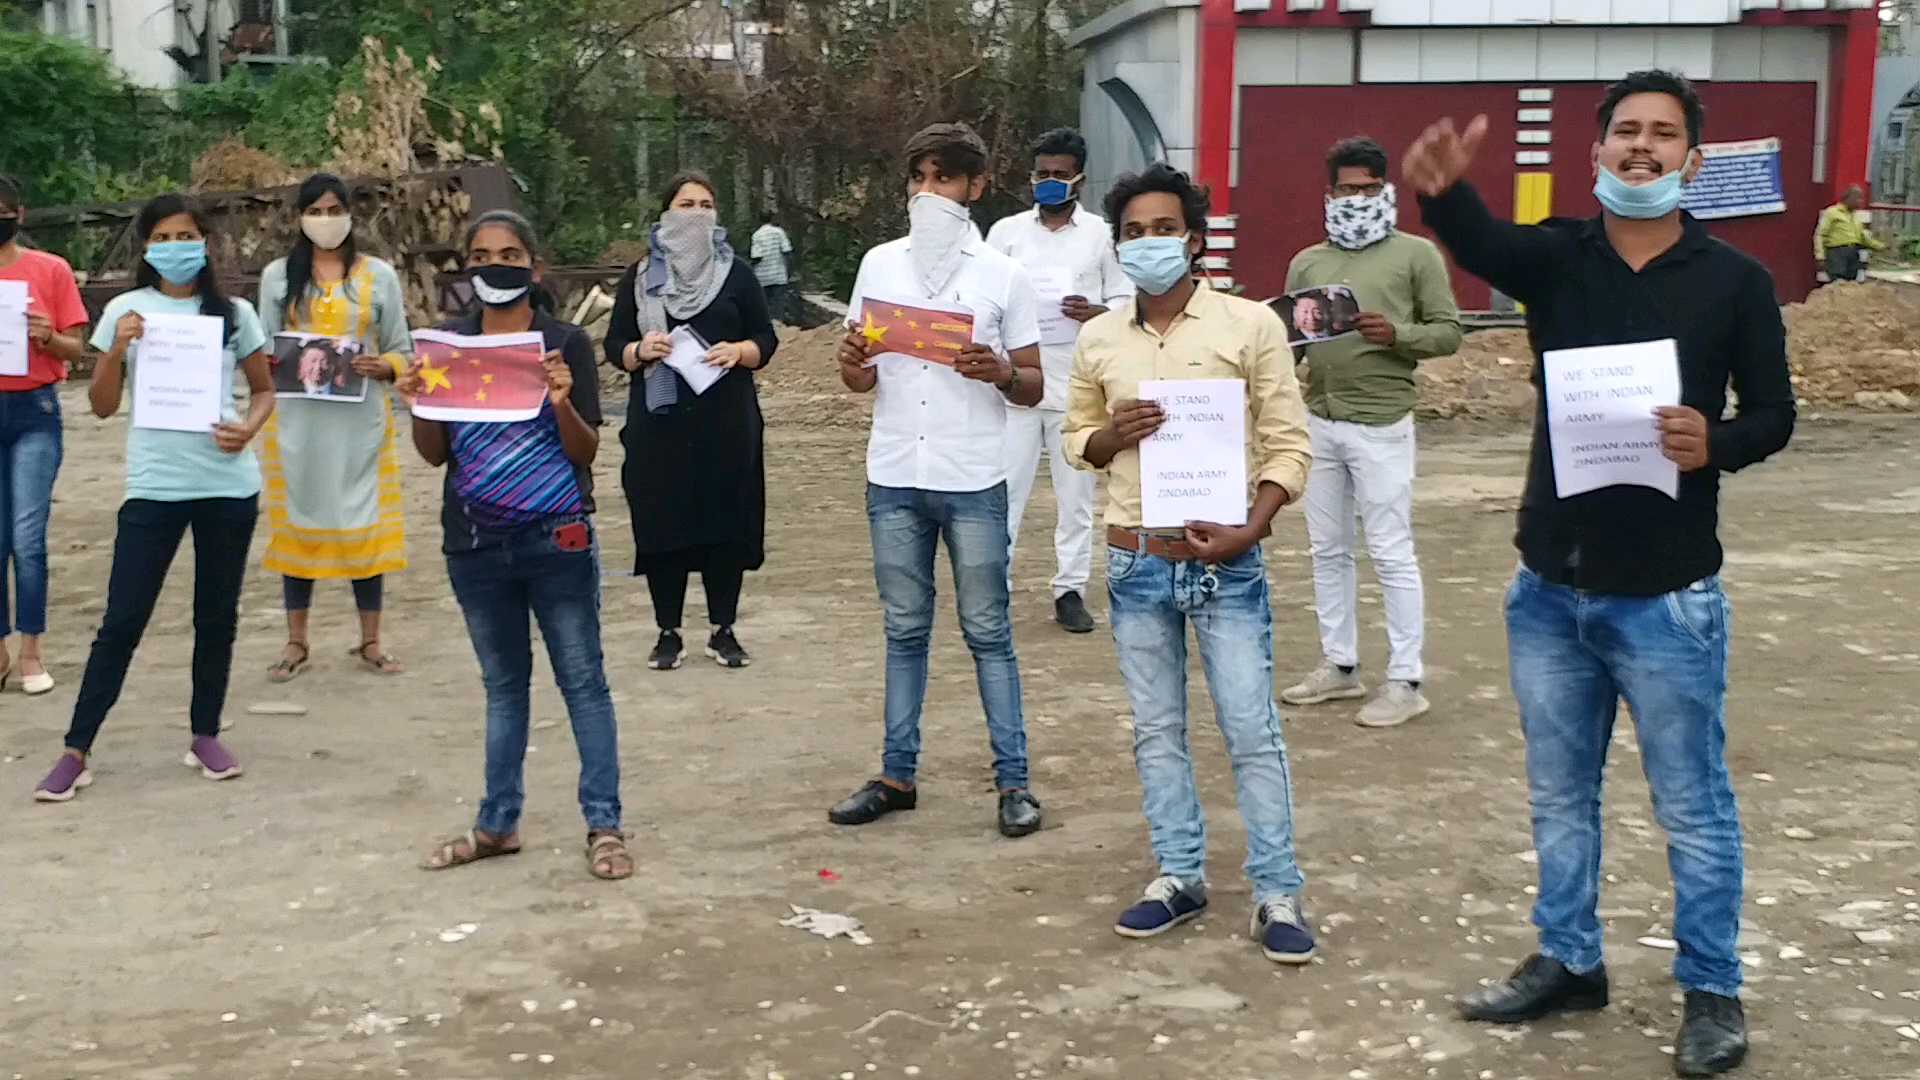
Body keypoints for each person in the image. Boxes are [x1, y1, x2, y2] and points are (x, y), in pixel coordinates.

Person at [1404, 70, 1794, 1076]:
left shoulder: (1735, 282)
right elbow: (1483, 243)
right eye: (1626, 131)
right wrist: (1443, 192)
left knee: (1692, 802)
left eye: (1665, 135)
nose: (1643, 148)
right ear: (1597, 152)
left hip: (1667, 594)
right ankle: (1570, 960)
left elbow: (1776, 414)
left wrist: (1720, 442)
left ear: (1692, 161)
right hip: (1549, 588)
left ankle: (1711, 989)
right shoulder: (1559, 258)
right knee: (1558, 794)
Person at [1063, 162, 1319, 965]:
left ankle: (1277, 889)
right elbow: (1078, 441)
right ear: (1118, 244)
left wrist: (1254, 526)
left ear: (1194, 238)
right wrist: (1113, 436)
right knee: (1157, 732)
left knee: (1250, 727)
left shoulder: (1251, 326)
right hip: (1137, 561)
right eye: (1133, 232)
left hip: (1225, 563)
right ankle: (1179, 875)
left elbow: (1288, 443)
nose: (1148, 243)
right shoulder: (1099, 338)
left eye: (1163, 228)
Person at [828, 121, 1048, 838]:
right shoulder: (880, 265)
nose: (929, 193)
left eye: (944, 179)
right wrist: (853, 361)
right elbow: (861, 379)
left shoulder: (1003, 276)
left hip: (973, 474)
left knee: (988, 630)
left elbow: (1034, 384)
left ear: (976, 188)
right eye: (918, 178)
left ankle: (1014, 781)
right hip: (894, 471)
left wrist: (1003, 371)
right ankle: (897, 774)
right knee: (903, 628)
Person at [401, 210, 630, 880]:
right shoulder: (449, 348)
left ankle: (605, 824)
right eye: (479, 255)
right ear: (467, 268)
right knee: (504, 686)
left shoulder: (562, 344)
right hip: (474, 545)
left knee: (583, 681)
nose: (492, 265)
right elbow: (433, 454)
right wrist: (421, 403)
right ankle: (497, 824)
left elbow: (586, 449)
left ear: (534, 267)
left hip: (557, 538)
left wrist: (560, 400)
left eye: (507, 254)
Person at [32, 193, 276, 802]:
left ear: (205, 243)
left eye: (187, 234)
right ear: (146, 247)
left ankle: (205, 734)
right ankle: (76, 747)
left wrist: (247, 429)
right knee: (121, 619)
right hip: (155, 487)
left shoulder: (235, 313)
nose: (176, 246)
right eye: (164, 236)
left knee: (216, 617)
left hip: (226, 484)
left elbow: (266, 390)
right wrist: (116, 348)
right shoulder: (124, 310)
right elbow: (102, 404)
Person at [1279, 136, 1462, 729]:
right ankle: (1340, 666)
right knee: (1327, 550)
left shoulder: (1416, 255)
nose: (1355, 199)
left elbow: (1449, 332)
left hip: (1381, 420)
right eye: (1345, 189)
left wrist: (1398, 335)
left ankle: (1406, 679)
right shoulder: (1308, 263)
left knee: (1389, 549)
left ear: (1384, 190)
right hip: (1321, 418)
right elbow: (1296, 343)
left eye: (1366, 188)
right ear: (1328, 193)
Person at [607, 172, 778, 671]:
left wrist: (740, 351)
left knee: (726, 524)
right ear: (666, 213)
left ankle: (723, 629)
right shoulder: (640, 277)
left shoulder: (737, 274)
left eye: (707, 204)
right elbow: (615, 343)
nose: (697, 213)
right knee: (664, 526)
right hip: (659, 427)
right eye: (686, 204)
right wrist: (640, 349)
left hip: (726, 424)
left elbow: (766, 338)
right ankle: (668, 632)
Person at [257, 174, 415, 684]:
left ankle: (371, 639)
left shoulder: (379, 276)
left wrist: (383, 366)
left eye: (334, 210)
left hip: (359, 424)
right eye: (316, 211)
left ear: (351, 214)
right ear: (300, 217)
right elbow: (262, 349)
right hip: (298, 423)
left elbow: (402, 349)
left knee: (360, 520)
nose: (326, 221)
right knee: (300, 518)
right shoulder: (278, 278)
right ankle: (296, 639)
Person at [984, 127, 1130, 634]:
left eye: (1060, 175)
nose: (1050, 182)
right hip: (1016, 382)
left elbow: (1126, 299)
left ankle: (1070, 589)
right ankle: (992, 587)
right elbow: (984, 297)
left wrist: (1098, 312)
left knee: (1077, 498)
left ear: (1080, 180)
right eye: (1042, 174)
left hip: (1077, 385)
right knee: (1004, 492)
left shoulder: (1103, 236)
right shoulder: (1004, 233)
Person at [0, 174, 87, 698]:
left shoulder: (50, 270)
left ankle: (32, 648)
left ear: (20, 213)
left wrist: (47, 336)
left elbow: (78, 349)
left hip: (34, 409)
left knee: (28, 537)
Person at [1813, 184, 1882, 285]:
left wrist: (1880, 246)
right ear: (1849, 198)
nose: (1860, 201)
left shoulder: (1855, 216)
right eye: (1858, 198)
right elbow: (1820, 235)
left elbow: (1862, 238)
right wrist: (1820, 256)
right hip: (1837, 253)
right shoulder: (1832, 212)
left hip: (1853, 253)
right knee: (1837, 283)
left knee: (1851, 284)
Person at [750, 208, 796, 324]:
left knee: (765, 305)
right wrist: (789, 271)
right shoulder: (779, 232)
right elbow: (787, 252)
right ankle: (779, 327)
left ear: (759, 220)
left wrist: (749, 269)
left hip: (762, 277)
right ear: (771, 219)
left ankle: (767, 326)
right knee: (778, 304)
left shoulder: (757, 235)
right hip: (778, 275)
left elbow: (756, 257)